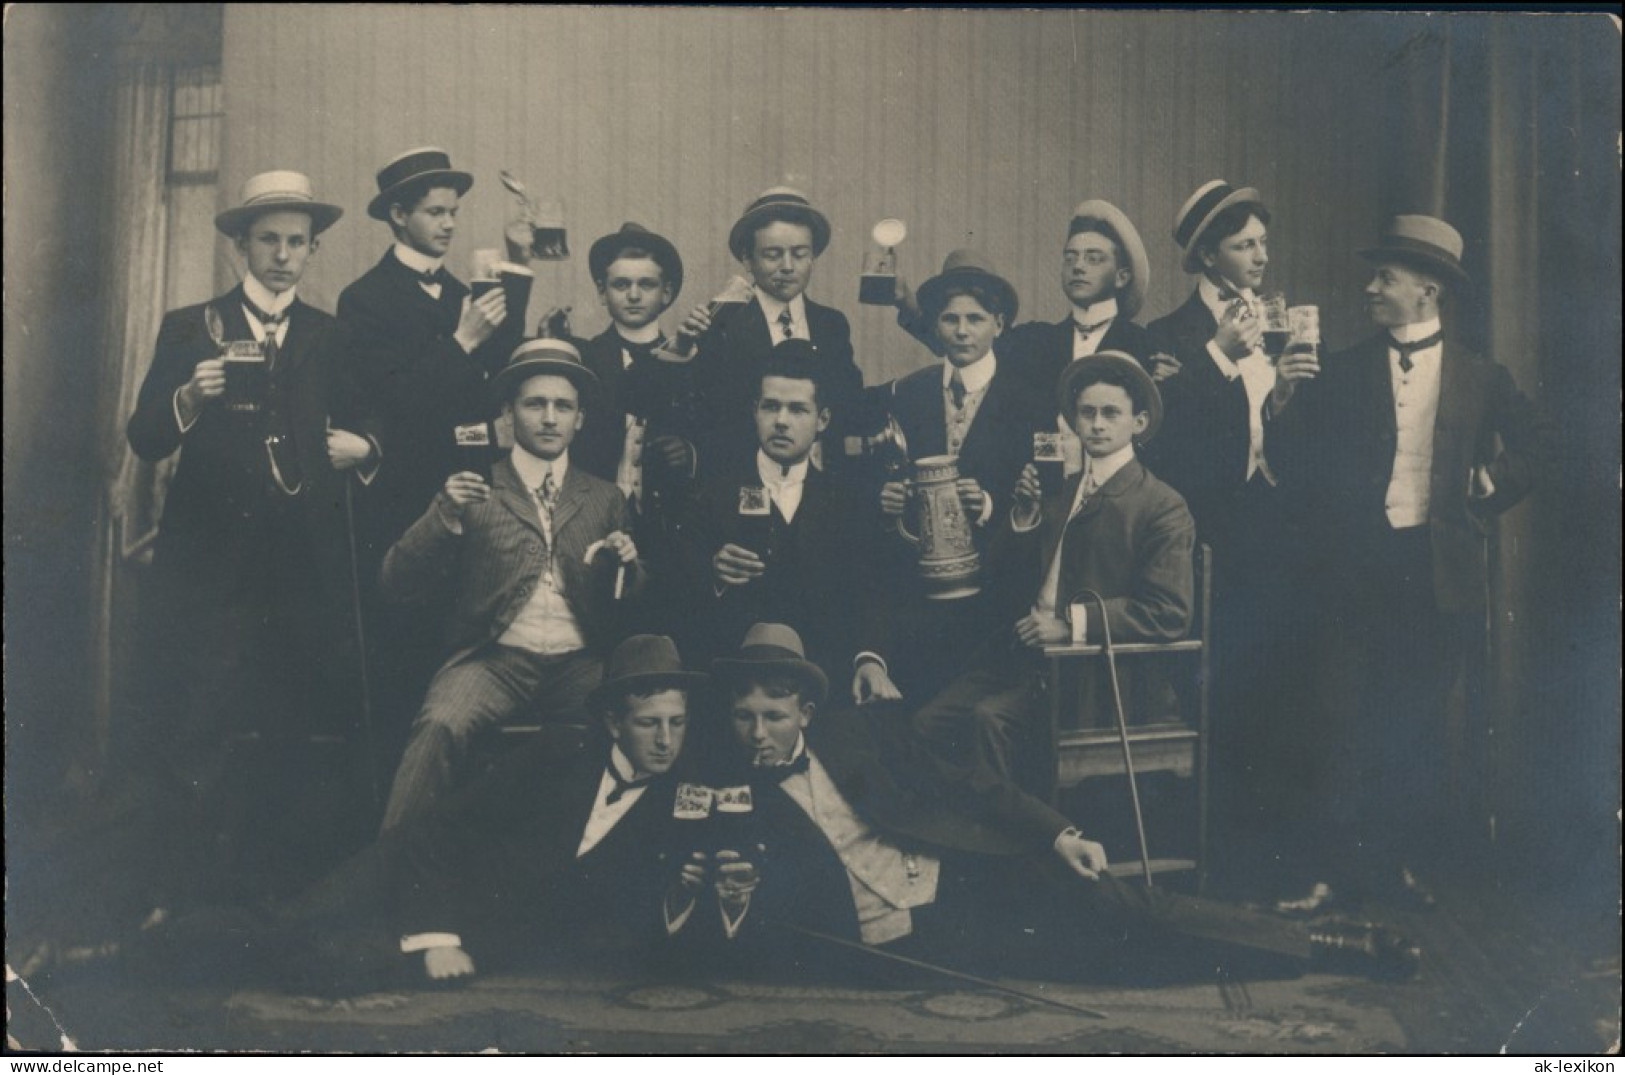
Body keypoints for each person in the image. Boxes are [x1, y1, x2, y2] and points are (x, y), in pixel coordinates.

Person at [690, 624, 1420, 983]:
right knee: (1112, 964)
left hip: (971, 872)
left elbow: (967, 784)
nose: (758, 732)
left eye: (774, 715)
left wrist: (1059, 830)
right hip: (919, 939)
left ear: (806, 710)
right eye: (746, 717)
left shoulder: (861, 734)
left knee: (1126, 907)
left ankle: (1335, 947)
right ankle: (1288, 952)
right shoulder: (728, 797)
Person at [1267, 214, 1552, 902]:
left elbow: (1537, 443)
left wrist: (1491, 483)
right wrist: (1280, 397)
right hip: (1353, 572)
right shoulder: (1339, 370)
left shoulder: (1481, 376)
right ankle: (1329, 873)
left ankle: (1392, 868)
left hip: (1436, 576)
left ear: (1427, 291)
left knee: (1414, 725)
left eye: (1383, 278)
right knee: (1337, 717)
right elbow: (1289, 462)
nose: (1369, 287)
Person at [123, 170, 379, 905]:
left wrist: (365, 447)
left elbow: (370, 424)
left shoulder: (332, 336)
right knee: (198, 723)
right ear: (240, 244)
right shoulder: (189, 325)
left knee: (292, 726)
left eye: (298, 242)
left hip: (301, 571)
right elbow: (143, 439)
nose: (283, 255)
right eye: (268, 239)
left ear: (312, 250)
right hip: (210, 570)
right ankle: (182, 894)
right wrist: (189, 395)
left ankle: (276, 895)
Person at [908, 352, 1193, 822]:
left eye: (1110, 413)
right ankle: (961, 842)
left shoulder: (1160, 504)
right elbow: (1007, 576)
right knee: (928, 723)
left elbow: (1169, 612)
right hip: (1027, 661)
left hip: (1097, 677)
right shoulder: (1064, 490)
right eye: (1087, 413)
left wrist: (1071, 626)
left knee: (989, 720)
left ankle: (1016, 848)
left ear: (1138, 422)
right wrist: (1023, 516)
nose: (1097, 425)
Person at [376, 338, 642, 831]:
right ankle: (387, 880)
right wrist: (443, 515)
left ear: (580, 419)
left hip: (579, 665)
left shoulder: (604, 497)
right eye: (534, 404)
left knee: (635, 730)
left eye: (563, 406)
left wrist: (629, 564)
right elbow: (396, 581)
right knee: (438, 726)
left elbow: (628, 606)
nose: (548, 418)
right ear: (508, 413)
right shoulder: (474, 485)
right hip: (493, 661)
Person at [338, 147, 520, 751]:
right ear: (397, 216)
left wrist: (518, 272)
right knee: (407, 661)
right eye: (434, 212)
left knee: (465, 658)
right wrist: (463, 341)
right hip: (407, 504)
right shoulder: (364, 300)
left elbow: (496, 383)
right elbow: (390, 407)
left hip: (472, 497)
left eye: (453, 212)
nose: (448, 224)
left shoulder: (463, 291)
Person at [1142, 180, 1306, 835]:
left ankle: (1263, 835)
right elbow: (1165, 435)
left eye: (1263, 242)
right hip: (1207, 531)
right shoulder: (1171, 336)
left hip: (1271, 526)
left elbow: (1272, 428)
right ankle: (1210, 837)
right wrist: (1216, 355)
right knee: (1211, 684)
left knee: (1269, 681)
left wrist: (1288, 397)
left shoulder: (1276, 320)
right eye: (1243, 245)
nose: (1260, 256)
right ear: (1208, 256)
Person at [870, 250, 1047, 700]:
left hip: (995, 594)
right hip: (918, 595)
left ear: (999, 324)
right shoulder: (908, 394)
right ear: (935, 326)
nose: (963, 330)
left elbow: (1046, 498)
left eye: (975, 318)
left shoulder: (1030, 401)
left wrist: (989, 505)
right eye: (950, 319)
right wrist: (887, 498)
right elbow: (888, 471)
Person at [673, 344, 894, 701]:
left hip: (824, 680)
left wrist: (870, 661)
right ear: (754, 411)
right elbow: (677, 593)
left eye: (798, 409)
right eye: (771, 406)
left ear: (822, 420)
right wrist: (713, 573)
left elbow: (870, 594)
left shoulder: (850, 502)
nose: (781, 421)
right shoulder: (711, 497)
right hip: (735, 681)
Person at [569, 222, 701, 635]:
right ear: (601, 292)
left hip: (668, 522)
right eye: (620, 284)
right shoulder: (583, 358)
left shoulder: (693, 361)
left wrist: (689, 451)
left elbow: (717, 434)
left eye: (646, 284)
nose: (633, 294)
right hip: (595, 516)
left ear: (667, 292)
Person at [681, 187, 865, 474]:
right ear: (748, 259)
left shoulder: (831, 325)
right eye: (773, 255)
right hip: (739, 482)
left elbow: (848, 403)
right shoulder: (721, 323)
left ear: (812, 257)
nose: (787, 267)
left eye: (800, 254)